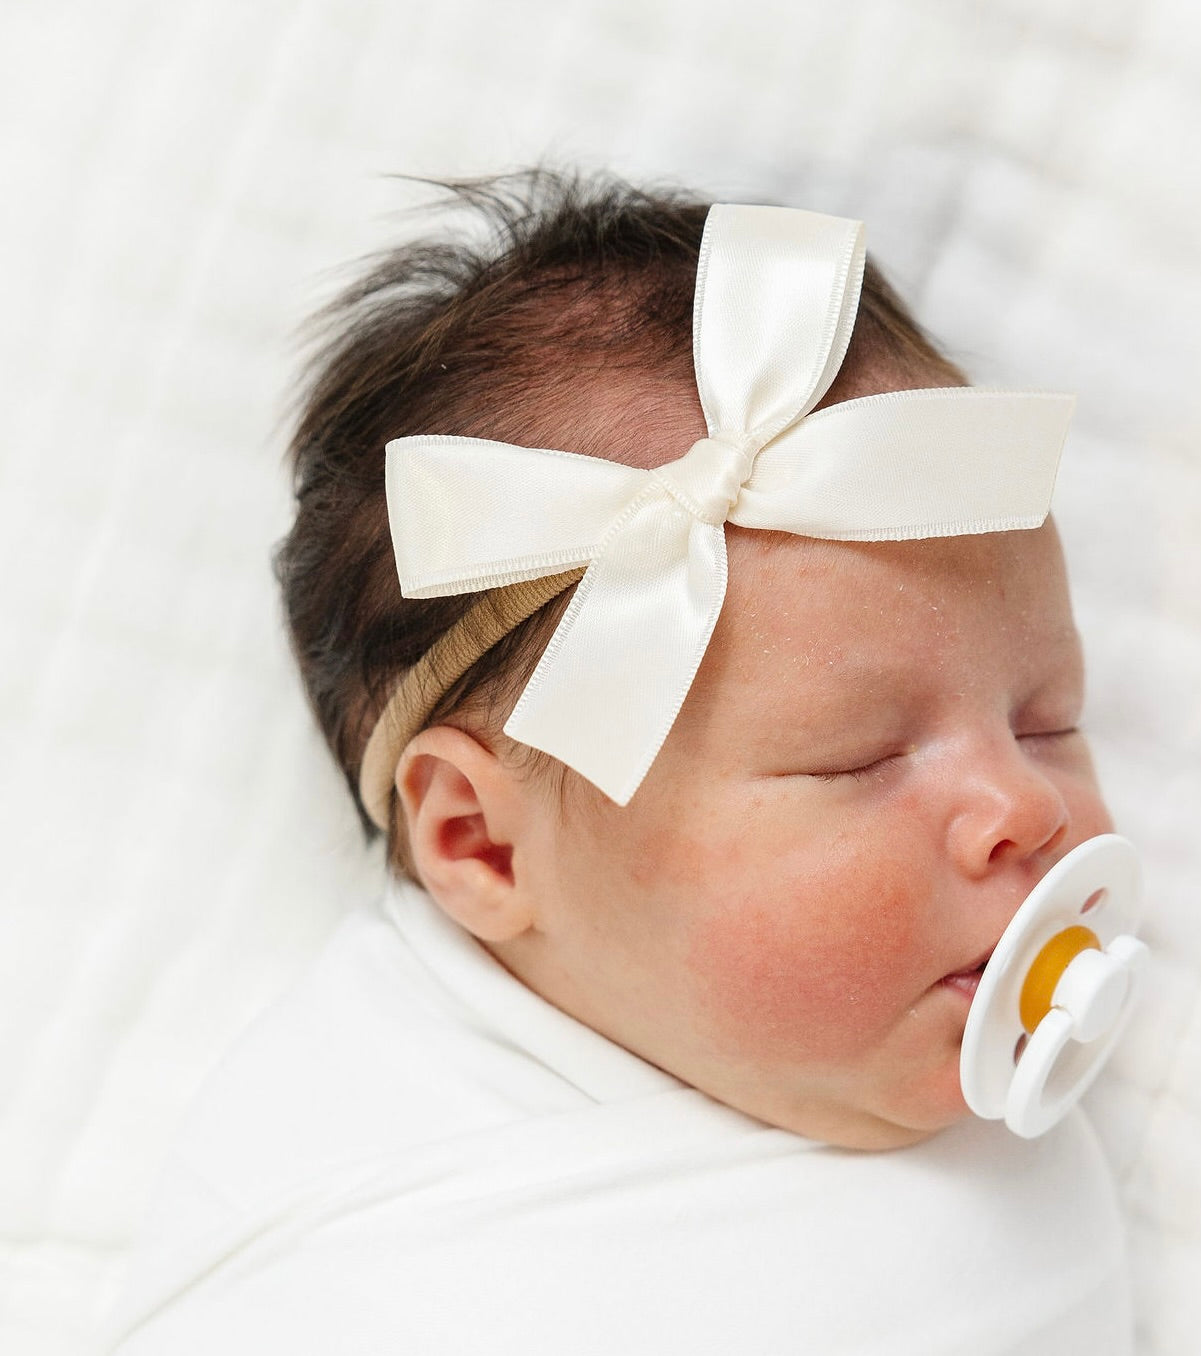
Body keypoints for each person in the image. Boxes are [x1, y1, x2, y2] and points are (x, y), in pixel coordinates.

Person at [103, 171, 1133, 1353]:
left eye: (1048, 720)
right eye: (859, 759)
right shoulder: (350, 1180)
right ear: (483, 843)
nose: (1023, 804)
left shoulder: (1011, 1130)